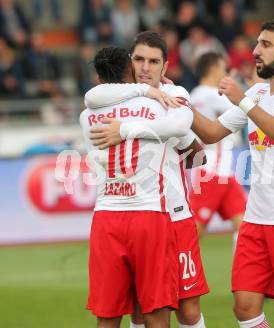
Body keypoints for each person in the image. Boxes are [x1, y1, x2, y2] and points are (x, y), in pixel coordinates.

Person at [189, 19, 274, 326]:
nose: (256, 51)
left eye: (266, 45)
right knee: (244, 307)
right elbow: (211, 132)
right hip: (255, 220)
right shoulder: (258, 94)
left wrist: (243, 101)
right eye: (258, 43)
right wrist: (177, 100)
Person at [84, 31, 210, 328]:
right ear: (129, 62)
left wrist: (127, 129)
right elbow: (91, 96)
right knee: (141, 306)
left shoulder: (175, 95)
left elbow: (197, 154)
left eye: (154, 62)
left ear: (165, 67)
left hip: (175, 214)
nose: (145, 68)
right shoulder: (116, 97)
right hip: (142, 215)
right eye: (139, 59)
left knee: (187, 310)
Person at [189, 52, 247, 243]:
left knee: (245, 225)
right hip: (210, 171)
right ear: (214, 69)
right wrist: (238, 87)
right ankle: (170, 265)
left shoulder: (196, 94)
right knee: (195, 230)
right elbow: (244, 107)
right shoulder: (210, 94)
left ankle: (244, 270)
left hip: (222, 171)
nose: (225, 74)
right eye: (223, 69)